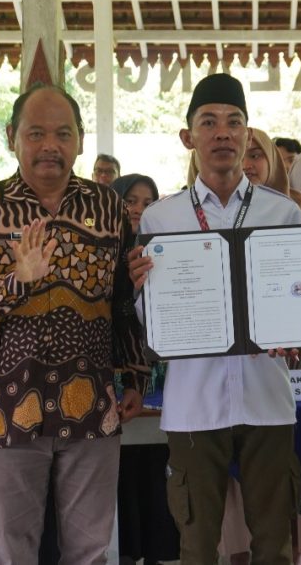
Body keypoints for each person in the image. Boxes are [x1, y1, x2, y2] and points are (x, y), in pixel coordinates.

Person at [0, 84, 145, 563]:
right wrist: (16, 281)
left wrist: (134, 371)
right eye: (36, 133)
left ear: (79, 140)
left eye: (63, 133)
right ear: (12, 136)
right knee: (13, 551)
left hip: (93, 407)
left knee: (90, 550)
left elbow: (121, 299)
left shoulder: (108, 208)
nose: (50, 145)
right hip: (7, 412)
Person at [127, 73, 301, 565]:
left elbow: (297, 300)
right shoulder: (161, 220)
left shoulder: (282, 214)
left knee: (274, 545)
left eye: (234, 122)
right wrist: (137, 289)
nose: (222, 133)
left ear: (248, 135)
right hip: (193, 402)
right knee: (196, 543)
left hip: (267, 398)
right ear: (189, 137)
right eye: (209, 122)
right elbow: (149, 319)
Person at [108, 173, 179, 565]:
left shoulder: (164, 252)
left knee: (154, 476)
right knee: (119, 480)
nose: (138, 209)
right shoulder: (102, 252)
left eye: (148, 201)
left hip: (156, 387)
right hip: (113, 388)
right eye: (130, 201)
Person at [190, 128, 301, 222]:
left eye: (255, 156)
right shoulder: (182, 211)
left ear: (271, 159)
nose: (245, 166)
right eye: (237, 158)